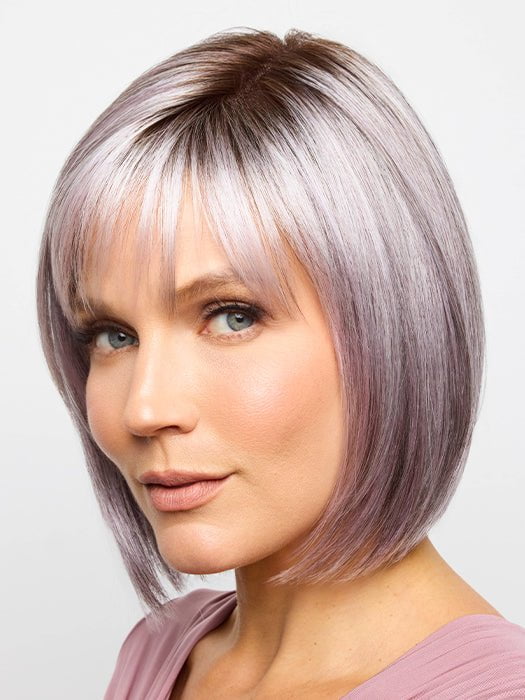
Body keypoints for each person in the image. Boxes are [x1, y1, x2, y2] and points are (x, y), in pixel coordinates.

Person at [36, 26, 525, 699]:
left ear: (390, 332)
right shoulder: (162, 653)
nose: (143, 409)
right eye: (113, 335)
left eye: (231, 316)